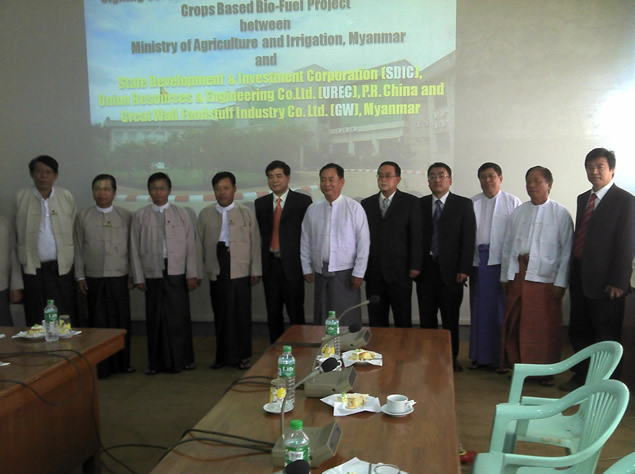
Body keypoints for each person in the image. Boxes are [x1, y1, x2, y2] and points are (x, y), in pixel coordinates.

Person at [560, 148, 634, 391]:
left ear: (612, 169)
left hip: (608, 284)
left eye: (600, 167)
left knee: (606, 335)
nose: (594, 171)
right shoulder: (584, 198)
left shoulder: (625, 200)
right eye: (590, 167)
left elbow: (626, 243)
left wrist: (619, 281)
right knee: (580, 331)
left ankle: (605, 385)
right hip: (580, 277)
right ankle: (581, 378)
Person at [499, 166, 573, 385]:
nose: (532, 186)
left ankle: (545, 371)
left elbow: (567, 251)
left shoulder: (560, 213)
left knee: (543, 328)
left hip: (546, 280)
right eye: (528, 181)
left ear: (549, 184)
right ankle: (519, 367)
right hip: (519, 276)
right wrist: (505, 276)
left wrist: (561, 283)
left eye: (537, 181)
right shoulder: (519, 212)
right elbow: (507, 246)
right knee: (518, 323)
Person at [130, 172, 199, 375]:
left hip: (177, 271)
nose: (158, 192)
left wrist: (192, 273)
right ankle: (156, 363)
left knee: (179, 318)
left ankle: (183, 360)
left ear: (169, 190)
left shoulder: (181, 213)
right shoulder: (140, 215)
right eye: (154, 188)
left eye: (162, 188)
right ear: (149, 191)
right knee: (155, 318)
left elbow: (191, 245)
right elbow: (134, 248)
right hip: (152, 272)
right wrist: (138, 276)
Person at [197, 172, 261, 370]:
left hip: (240, 268)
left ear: (234, 189)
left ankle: (243, 356)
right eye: (217, 189)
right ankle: (222, 356)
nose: (222, 192)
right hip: (217, 266)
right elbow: (198, 244)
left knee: (241, 314)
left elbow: (255, 243)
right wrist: (199, 271)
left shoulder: (245, 212)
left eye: (226, 188)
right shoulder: (205, 214)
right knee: (221, 313)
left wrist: (255, 270)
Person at [416, 162, 476, 372]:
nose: (437, 179)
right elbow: (415, 238)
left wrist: (464, 269)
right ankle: (429, 357)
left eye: (441, 175)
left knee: (450, 319)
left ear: (450, 180)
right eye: (432, 176)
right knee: (427, 318)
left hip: (452, 273)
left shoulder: (463, 204)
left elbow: (468, 239)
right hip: (426, 271)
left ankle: (451, 358)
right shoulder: (420, 204)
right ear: (428, 181)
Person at [74, 174, 134, 377]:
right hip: (94, 276)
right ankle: (101, 366)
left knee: (120, 321)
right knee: (97, 322)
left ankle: (123, 363)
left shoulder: (126, 216)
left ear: (114, 192)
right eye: (97, 188)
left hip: (119, 275)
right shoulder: (83, 216)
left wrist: (133, 274)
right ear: (93, 192)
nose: (102, 193)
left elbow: (132, 248)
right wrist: (80, 276)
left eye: (106, 189)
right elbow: (78, 248)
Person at [301, 163, 370, 325]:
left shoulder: (354, 208)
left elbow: (363, 243)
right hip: (321, 271)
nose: (327, 184)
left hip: (346, 274)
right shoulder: (313, 209)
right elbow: (305, 240)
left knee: (346, 316)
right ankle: (323, 342)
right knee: (322, 314)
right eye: (323, 180)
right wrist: (306, 268)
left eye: (331, 179)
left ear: (341, 182)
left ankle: (347, 342)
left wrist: (359, 273)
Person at [13, 155, 78, 326]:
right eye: (39, 171)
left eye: (48, 172)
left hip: (61, 269)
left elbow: (74, 232)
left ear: (55, 175)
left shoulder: (66, 196)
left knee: (63, 316)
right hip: (33, 270)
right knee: (36, 317)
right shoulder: (21, 197)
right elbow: (15, 237)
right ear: (31, 174)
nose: (43, 176)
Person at [469, 163, 521, 369]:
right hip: (479, 264)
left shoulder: (513, 202)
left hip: (502, 265)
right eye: (483, 177)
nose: (487, 180)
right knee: (480, 313)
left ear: (500, 178)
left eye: (491, 176)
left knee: (501, 313)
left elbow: (517, 237)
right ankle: (480, 358)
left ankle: (501, 359)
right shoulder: (472, 202)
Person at [255, 161, 312, 343]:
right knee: (273, 313)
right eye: (270, 177)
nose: (274, 180)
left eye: (279, 176)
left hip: (293, 266)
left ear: (288, 177)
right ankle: (274, 350)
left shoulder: (303, 202)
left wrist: (308, 265)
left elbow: (308, 236)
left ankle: (300, 348)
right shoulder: (260, 204)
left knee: (296, 311)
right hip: (270, 265)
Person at [361, 161, 422, 327]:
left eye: (388, 176)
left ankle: (403, 346)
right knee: (376, 321)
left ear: (398, 179)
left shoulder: (410, 202)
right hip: (374, 273)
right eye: (380, 175)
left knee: (402, 319)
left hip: (400, 272)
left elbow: (417, 236)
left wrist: (415, 265)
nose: (383, 179)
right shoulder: (366, 204)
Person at [0, 216, 23, 325]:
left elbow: (13, 254)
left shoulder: (5, 223)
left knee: (4, 329)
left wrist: (15, 286)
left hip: (1, 287)